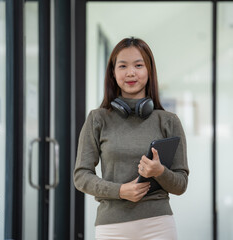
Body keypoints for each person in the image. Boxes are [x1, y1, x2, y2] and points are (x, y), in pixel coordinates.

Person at [73, 37, 189, 240]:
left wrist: (159, 171)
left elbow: (180, 184)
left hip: (158, 226)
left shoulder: (169, 121)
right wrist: (120, 191)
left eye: (138, 65)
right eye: (123, 66)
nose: (130, 73)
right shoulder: (97, 119)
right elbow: (81, 176)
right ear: (113, 72)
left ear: (149, 71)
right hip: (111, 228)